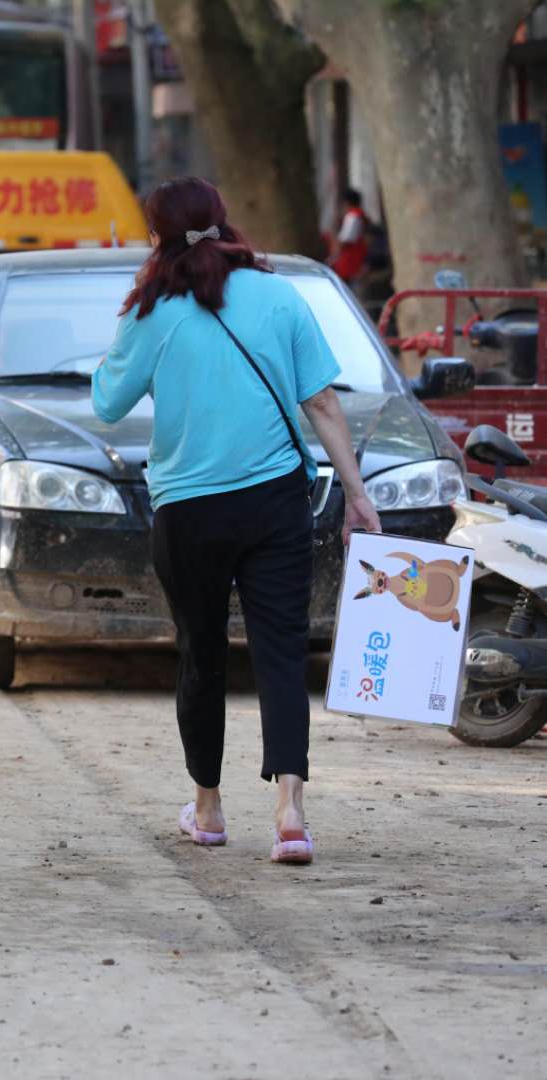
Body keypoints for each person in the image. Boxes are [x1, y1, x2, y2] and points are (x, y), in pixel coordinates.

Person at [92, 176, 383, 866]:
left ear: (157, 234)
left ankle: (209, 808)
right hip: (277, 500)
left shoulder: (152, 309)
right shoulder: (279, 294)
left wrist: (133, 302)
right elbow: (323, 406)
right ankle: (291, 812)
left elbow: (107, 401)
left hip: (189, 510)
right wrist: (358, 494)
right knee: (282, 651)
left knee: (201, 653)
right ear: (225, 223)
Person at [330, 188, 370, 286]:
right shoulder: (360, 215)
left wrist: (334, 254)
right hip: (356, 259)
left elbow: (346, 239)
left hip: (350, 260)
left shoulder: (353, 216)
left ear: (347, 202)